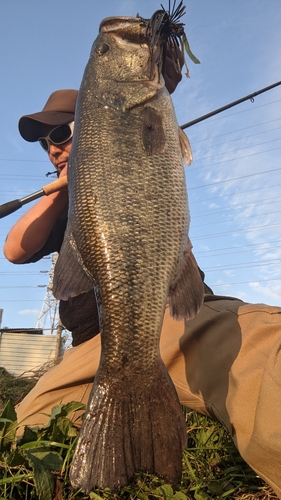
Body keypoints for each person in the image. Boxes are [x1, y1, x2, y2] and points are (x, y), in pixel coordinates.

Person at [3, 53, 281, 499]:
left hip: (181, 320)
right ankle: (136, 416)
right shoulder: (64, 208)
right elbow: (14, 248)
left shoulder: (146, 140)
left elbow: (148, 115)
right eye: (44, 143)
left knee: (266, 354)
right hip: (98, 352)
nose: (52, 147)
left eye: (60, 133)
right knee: (26, 424)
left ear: (95, 121)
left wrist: (157, 84)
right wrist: (64, 190)